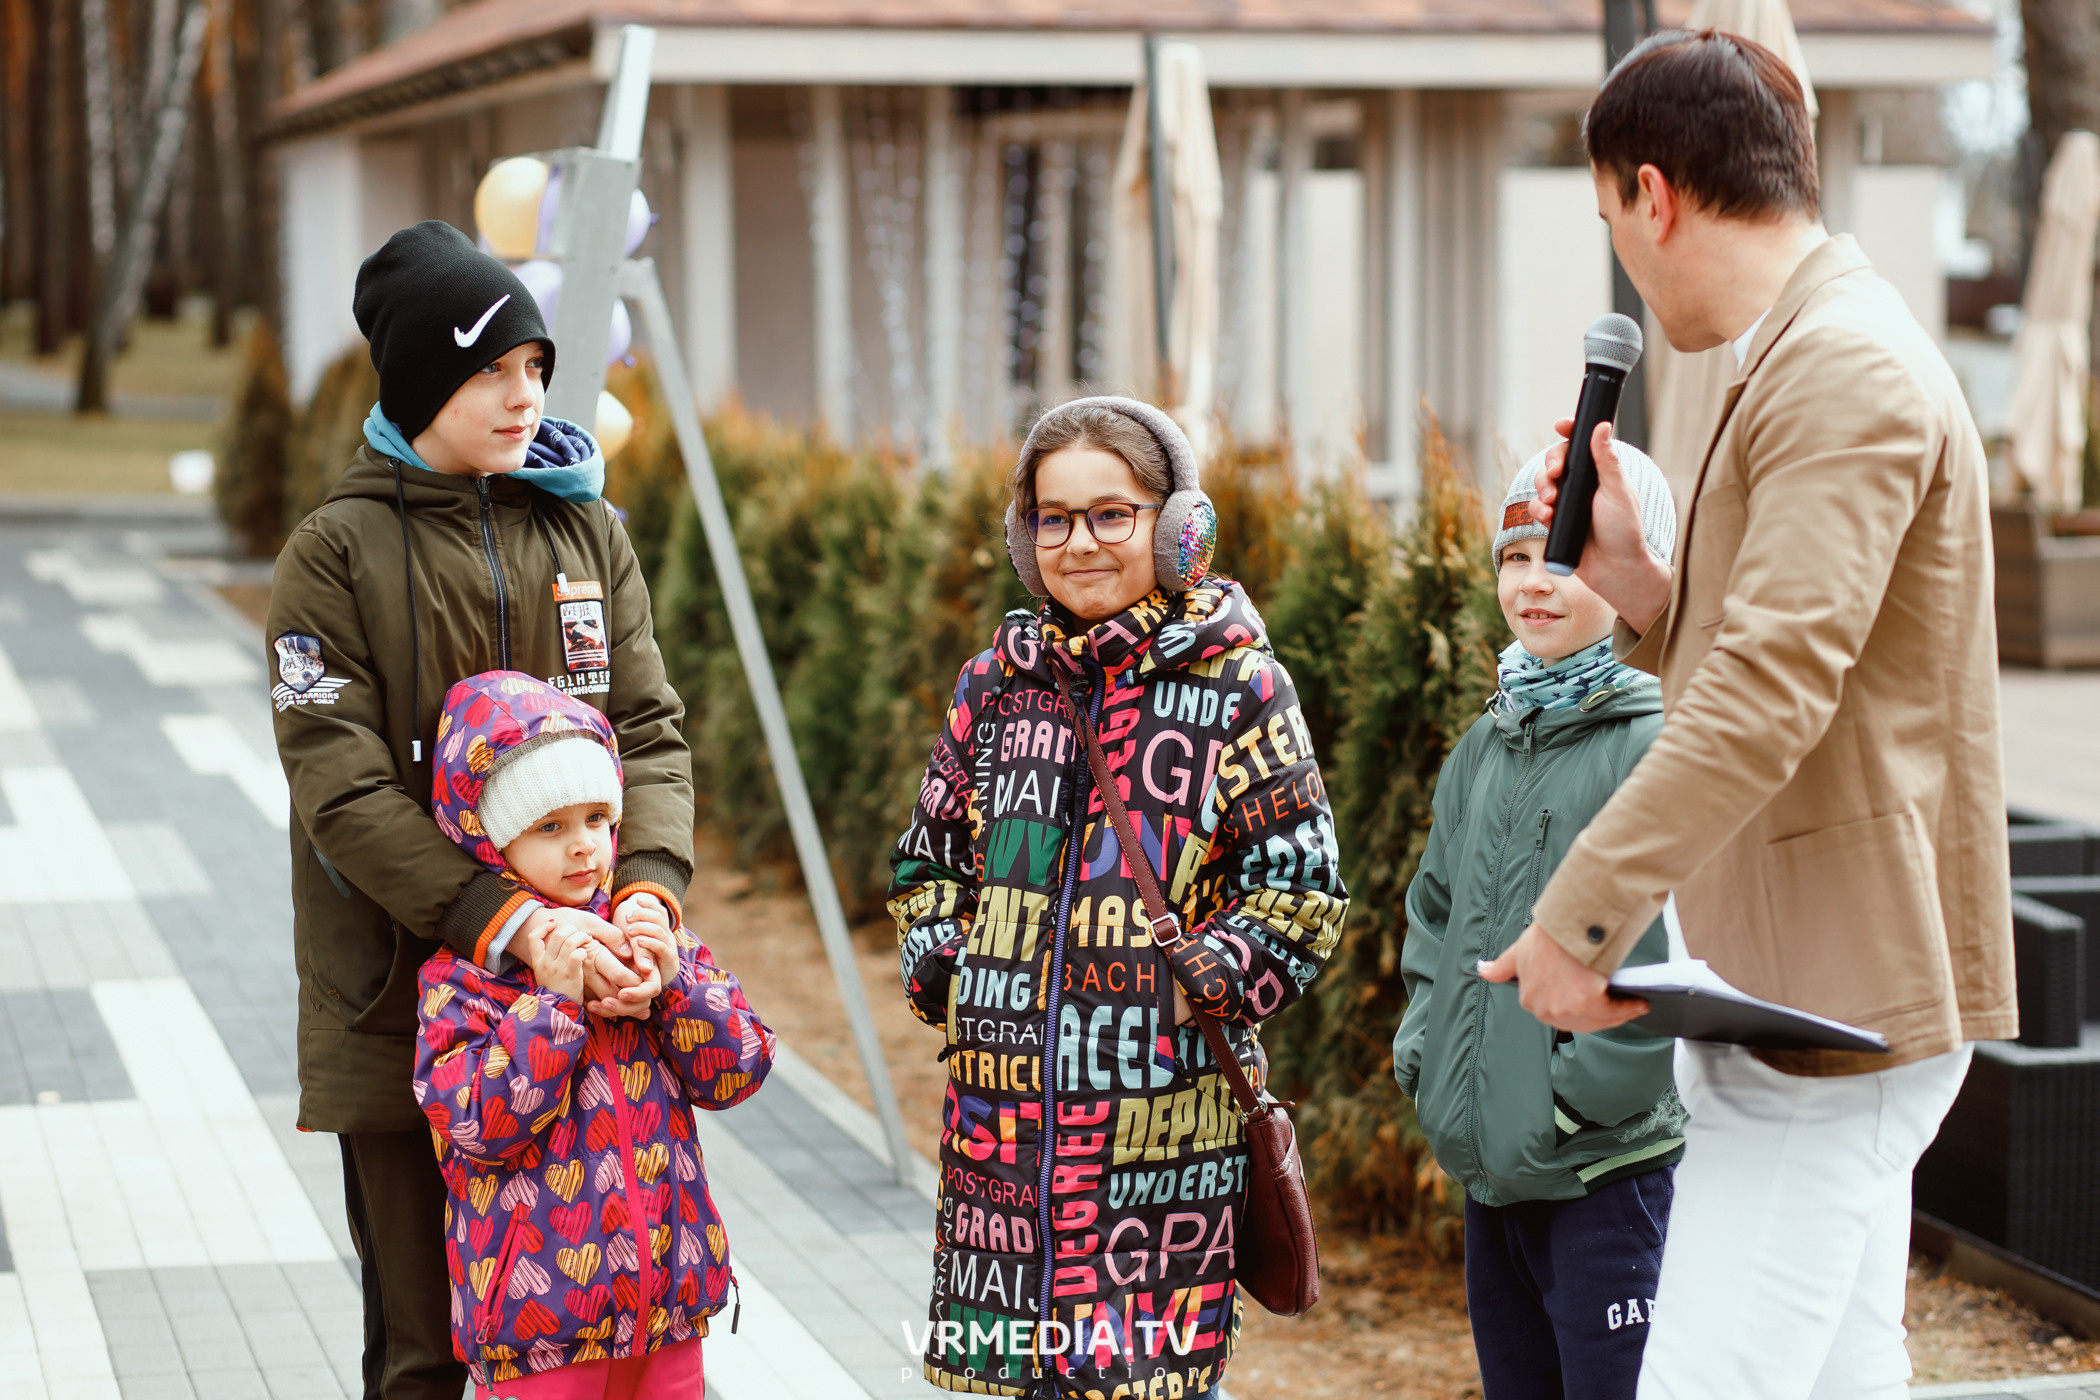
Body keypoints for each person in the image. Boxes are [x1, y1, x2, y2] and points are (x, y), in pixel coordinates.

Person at [1478, 31, 2016, 1400]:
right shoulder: (1816, 349)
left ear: (1652, 193)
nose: (1628, 265)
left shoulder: (1838, 369)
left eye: (1611, 221)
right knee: (1840, 1376)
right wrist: (1642, 589)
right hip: (1816, 995)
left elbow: (1774, 691)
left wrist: (1577, 920)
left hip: (1825, 1013)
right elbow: (1813, 658)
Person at [268, 220, 697, 1400]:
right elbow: (337, 782)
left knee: (587, 1344)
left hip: (596, 1015)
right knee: (426, 1352)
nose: (526, 396)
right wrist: (513, 922)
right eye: (489, 369)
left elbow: (650, 729)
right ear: (417, 382)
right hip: (404, 1011)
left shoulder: (585, 528)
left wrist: (649, 892)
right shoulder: (333, 555)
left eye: (537, 367)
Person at [887, 396, 1350, 1399]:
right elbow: (926, 861)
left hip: (1159, 1150)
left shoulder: (1240, 690)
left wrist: (1209, 974)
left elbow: (1304, 890)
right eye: (1053, 517)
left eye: (1111, 514)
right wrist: (949, 969)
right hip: (1001, 1146)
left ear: (1178, 528)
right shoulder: (992, 688)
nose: (1079, 541)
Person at [1395, 443, 1683, 1400]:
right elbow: (1435, 914)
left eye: (1565, 556)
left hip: (1604, 1170)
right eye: (1515, 558)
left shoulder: (1657, 737)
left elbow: (1662, 946)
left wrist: (1574, 1100)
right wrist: (1426, 1052)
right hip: (1493, 1165)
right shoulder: (1487, 742)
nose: (1535, 582)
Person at [413, 670, 773, 1399]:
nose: (583, 848)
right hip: (540, 1325)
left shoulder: (643, 933)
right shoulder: (465, 981)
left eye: (596, 821)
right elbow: (477, 1124)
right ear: (489, 840)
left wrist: (676, 987)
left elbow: (740, 1069)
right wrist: (553, 1003)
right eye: (548, 827)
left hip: (668, 1308)